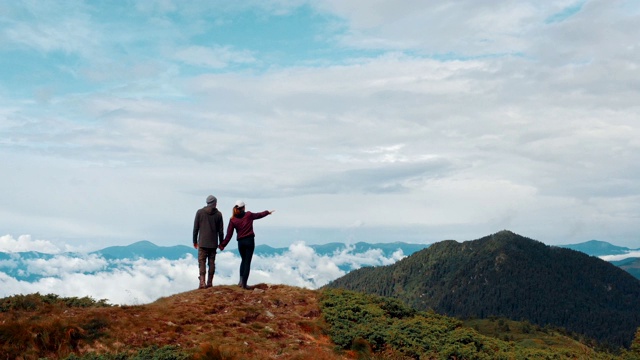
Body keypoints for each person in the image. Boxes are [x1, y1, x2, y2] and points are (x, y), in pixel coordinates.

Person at [219, 200, 274, 289]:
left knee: (243, 260)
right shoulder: (248, 215)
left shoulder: (233, 220)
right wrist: (267, 212)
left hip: (240, 243)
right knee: (247, 262)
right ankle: (244, 285)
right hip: (249, 241)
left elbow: (229, 235)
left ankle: (240, 282)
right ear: (244, 207)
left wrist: (222, 245)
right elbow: (258, 215)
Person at [193, 195, 224, 289]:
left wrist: (194, 241)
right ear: (215, 203)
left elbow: (196, 228)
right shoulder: (218, 214)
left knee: (201, 262)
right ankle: (210, 282)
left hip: (202, 242)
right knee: (211, 262)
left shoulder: (200, 212)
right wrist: (221, 243)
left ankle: (202, 282)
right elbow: (221, 231)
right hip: (213, 243)